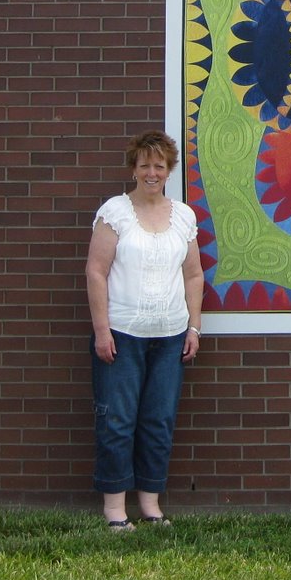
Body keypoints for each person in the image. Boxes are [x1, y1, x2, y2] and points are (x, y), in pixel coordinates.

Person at [85, 129, 204, 529]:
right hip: (121, 334)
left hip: (170, 337)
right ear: (133, 169)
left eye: (159, 165)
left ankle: (150, 505)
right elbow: (96, 272)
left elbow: (193, 275)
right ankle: (115, 510)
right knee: (117, 420)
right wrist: (102, 331)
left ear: (169, 170)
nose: (151, 172)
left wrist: (194, 327)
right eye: (144, 165)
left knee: (158, 420)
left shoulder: (183, 216)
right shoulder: (115, 213)